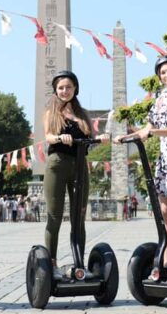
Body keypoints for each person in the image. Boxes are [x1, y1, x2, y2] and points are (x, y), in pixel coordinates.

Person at [115, 56, 167, 275]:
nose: (166, 76)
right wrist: (125, 137)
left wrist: (152, 132)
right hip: (164, 162)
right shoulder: (160, 98)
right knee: (165, 213)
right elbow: (148, 127)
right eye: (162, 73)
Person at [43, 70, 109, 273]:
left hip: (80, 163)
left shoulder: (82, 115)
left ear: (75, 89)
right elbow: (48, 136)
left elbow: (91, 137)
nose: (65, 91)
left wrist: (102, 138)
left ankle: (79, 261)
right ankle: (51, 261)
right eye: (61, 88)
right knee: (54, 215)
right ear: (56, 90)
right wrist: (59, 138)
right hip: (58, 163)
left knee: (79, 215)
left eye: (68, 87)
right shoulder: (51, 113)